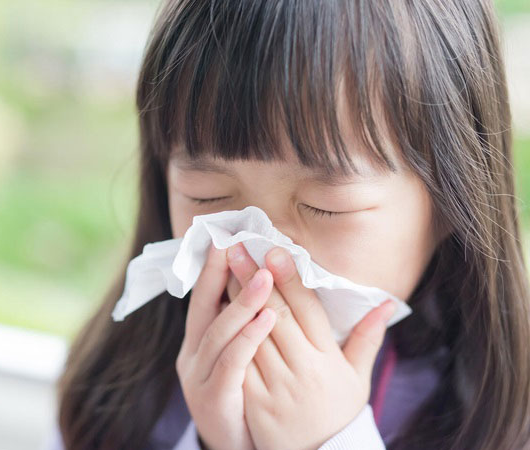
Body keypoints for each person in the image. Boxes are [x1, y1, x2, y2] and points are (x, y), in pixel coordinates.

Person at [49, 0, 530, 448]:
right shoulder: (123, 385)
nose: (262, 255)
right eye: (207, 194)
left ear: (455, 200)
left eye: (326, 205)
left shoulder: (504, 414)